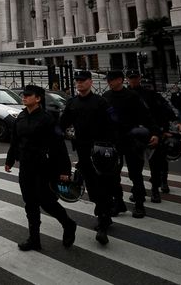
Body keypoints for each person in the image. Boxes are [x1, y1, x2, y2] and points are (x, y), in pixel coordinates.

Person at [6, 84, 76, 253]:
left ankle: (68, 224)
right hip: (26, 167)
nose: (24, 97)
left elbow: (59, 147)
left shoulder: (47, 119)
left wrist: (65, 171)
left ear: (38, 98)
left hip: (44, 167)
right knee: (30, 202)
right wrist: (9, 160)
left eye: (28, 95)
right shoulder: (21, 117)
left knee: (47, 202)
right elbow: (15, 141)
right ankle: (34, 239)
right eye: (24, 94)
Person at [59, 70, 116, 245]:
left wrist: (112, 146)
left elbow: (113, 123)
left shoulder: (101, 102)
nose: (79, 83)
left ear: (90, 82)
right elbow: (62, 124)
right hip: (83, 151)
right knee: (92, 184)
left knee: (103, 185)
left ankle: (103, 221)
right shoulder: (72, 103)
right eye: (77, 81)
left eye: (83, 81)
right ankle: (103, 213)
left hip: (101, 150)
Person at [102, 70, 157, 219]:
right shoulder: (106, 96)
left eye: (112, 80)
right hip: (114, 141)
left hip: (131, 140)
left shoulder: (132, 96)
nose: (109, 82)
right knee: (113, 175)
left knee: (135, 174)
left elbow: (146, 116)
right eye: (108, 80)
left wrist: (154, 133)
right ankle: (118, 202)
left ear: (120, 80)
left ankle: (139, 205)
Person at [127, 71, 180, 201]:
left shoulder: (150, 94)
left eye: (135, 77)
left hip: (152, 133)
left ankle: (156, 189)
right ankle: (137, 190)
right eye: (130, 78)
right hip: (133, 134)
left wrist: (169, 126)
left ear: (139, 78)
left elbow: (164, 110)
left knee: (156, 164)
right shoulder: (124, 95)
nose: (133, 80)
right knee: (134, 167)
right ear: (127, 79)